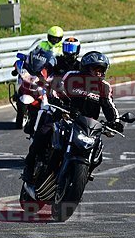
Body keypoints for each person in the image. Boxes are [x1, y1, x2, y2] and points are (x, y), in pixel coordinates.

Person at [21, 51, 122, 192]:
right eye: (96, 70)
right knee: (43, 133)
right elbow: (56, 90)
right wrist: (62, 104)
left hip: (87, 127)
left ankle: (82, 175)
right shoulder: (72, 76)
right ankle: (29, 168)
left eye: (102, 70)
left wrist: (116, 122)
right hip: (64, 117)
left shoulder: (104, 87)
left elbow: (109, 106)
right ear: (86, 68)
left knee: (98, 152)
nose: (99, 73)